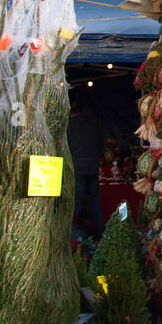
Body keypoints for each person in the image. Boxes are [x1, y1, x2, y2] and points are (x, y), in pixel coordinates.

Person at [68, 93, 105, 239]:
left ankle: (78, 235)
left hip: (76, 168)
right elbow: (101, 145)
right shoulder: (93, 123)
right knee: (94, 200)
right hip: (92, 168)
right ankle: (99, 231)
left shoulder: (69, 126)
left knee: (76, 201)